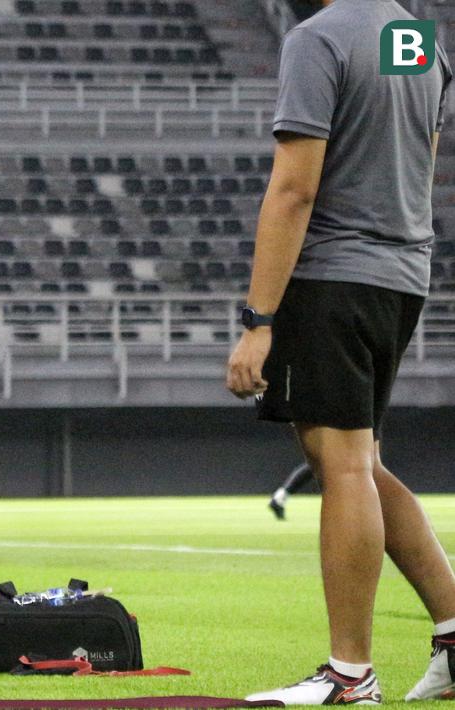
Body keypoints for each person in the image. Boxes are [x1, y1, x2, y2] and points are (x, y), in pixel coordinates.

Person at [226, 0, 455, 703]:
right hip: (400, 275)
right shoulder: (412, 38)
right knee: (355, 458)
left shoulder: (317, 39)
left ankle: (348, 672)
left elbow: (294, 189)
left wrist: (258, 318)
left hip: (332, 274)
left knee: (343, 460)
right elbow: (419, 156)